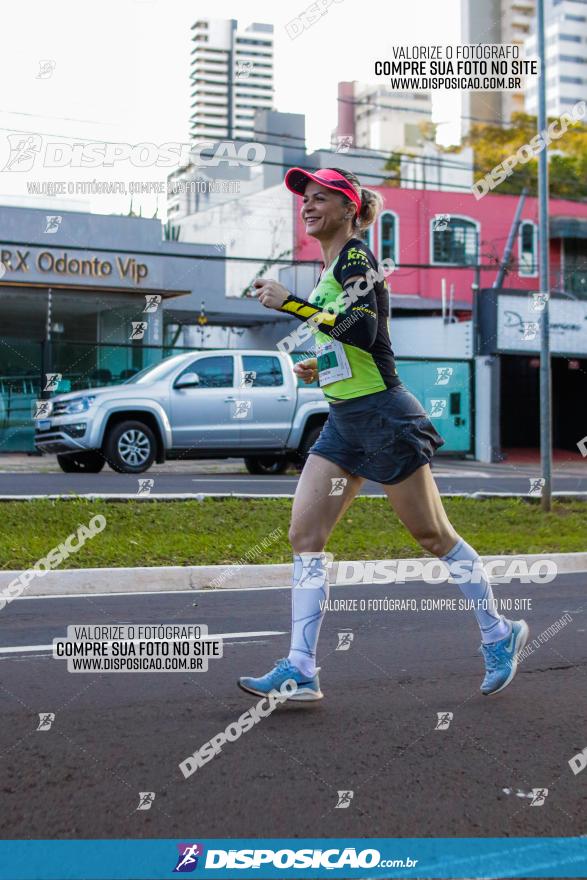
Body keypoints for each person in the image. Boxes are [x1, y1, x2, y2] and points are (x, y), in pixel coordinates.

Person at [237, 166, 529, 702]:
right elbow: (346, 340)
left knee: (432, 536)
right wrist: (320, 365)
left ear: (348, 209)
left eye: (321, 197)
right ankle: (301, 667)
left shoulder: (355, 257)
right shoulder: (330, 267)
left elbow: (365, 330)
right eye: (305, 198)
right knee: (305, 536)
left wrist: (292, 305)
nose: (308, 205)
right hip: (344, 423)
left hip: (385, 417)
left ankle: (499, 632)